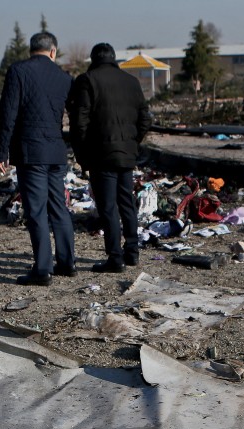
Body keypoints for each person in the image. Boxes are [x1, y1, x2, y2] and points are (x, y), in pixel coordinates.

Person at [0, 32, 76, 286]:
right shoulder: (64, 78)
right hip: (56, 152)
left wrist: (1, 150)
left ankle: (42, 270)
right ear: (53, 51)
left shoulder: (18, 71)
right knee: (59, 207)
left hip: (31, 153)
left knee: (37, 210)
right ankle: (67, 263)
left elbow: (8, 112)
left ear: (31, 50)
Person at [67, 43, 151, 273]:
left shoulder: (88, 80)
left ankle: (115, 258)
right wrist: (133, 143)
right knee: (127, 203)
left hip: (101, 156)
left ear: (93, 59)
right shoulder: (131, 82)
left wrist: (82, 155)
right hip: (127, 155)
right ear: (114, 58)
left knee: (108, 207)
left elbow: (79, 123)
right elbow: (145, 119)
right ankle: (132, 252)